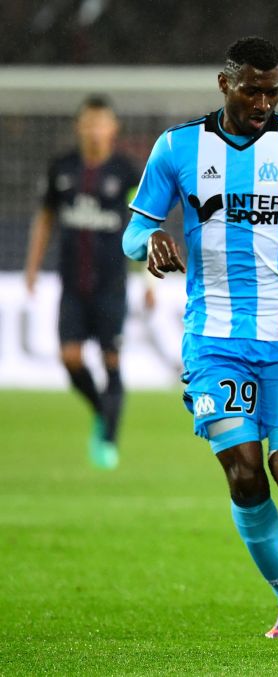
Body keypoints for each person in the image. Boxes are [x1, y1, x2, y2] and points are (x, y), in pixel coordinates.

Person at [122, 36, 278, 638]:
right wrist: (148, 243)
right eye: (252, 89)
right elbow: (133, 233)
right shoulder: (176, 147)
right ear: (225, 83)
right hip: (214, 343)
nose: (263, 101)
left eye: (273, 91)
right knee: (244, 473)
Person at [24, 95, 143, 470]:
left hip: (111, 284)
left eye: (101, 123)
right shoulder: (62, 168)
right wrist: (31, 266)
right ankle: (100, 411)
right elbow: (45, 218)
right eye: (88, 122)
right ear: (79, 126)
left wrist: (151, 279)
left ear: (113, 128)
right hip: (72, 285)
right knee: (70, 358)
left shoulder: (126, 172)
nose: (94, 130)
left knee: (111, 360)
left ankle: (108, 439)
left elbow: (144, 221)